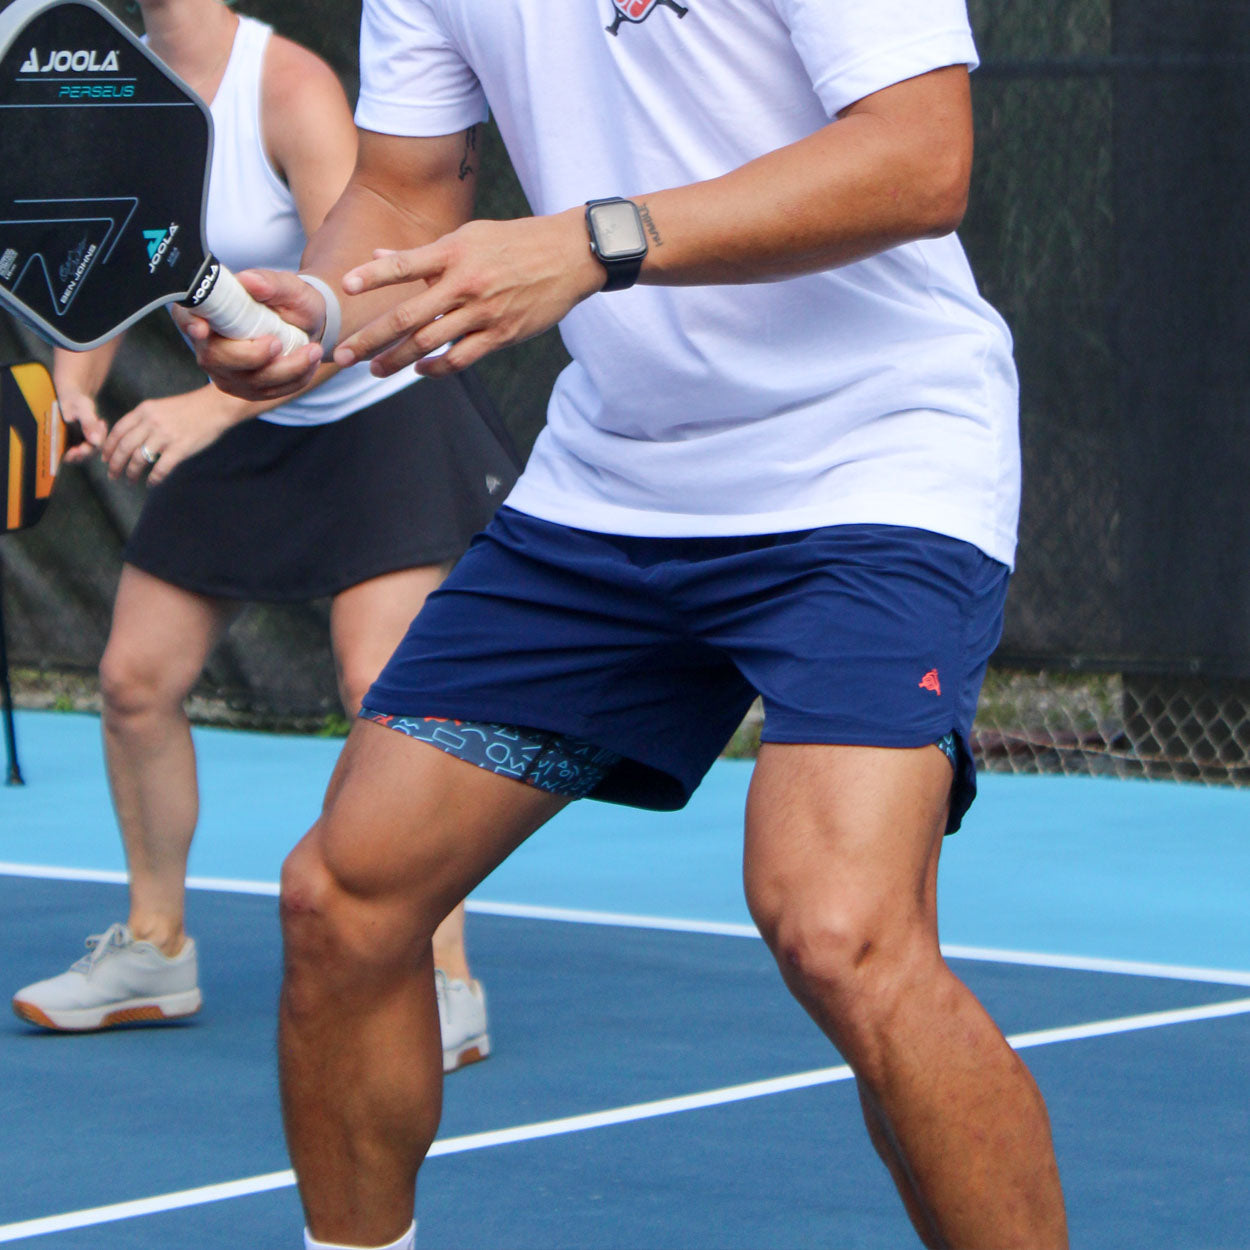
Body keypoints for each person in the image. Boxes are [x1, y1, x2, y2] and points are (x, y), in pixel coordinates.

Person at [190, 0, 1070, 1246]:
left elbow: (920, 155)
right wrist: (319, 319)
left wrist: (596, 240)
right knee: (342, 900)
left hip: (872, 463)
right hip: (614, 484)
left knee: (838, 928)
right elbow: (400, 189)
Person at [9, 0, 519, 1076]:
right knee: (135, 680)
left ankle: (442, 972)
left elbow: (367, 293)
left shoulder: (288, 91)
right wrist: (64, 398)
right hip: (242, 411)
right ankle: (155, 949)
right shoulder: (112, 85)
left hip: (372, 406)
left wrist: (204, 410)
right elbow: (95, 280)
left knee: (380, 685)